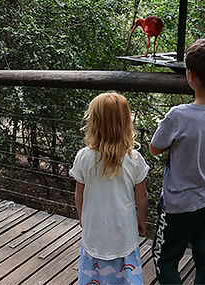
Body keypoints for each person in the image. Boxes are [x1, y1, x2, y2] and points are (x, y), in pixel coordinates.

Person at [149, 38, 205, 284]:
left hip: (178, 203)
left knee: (164, 258)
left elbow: (155, 148)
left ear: (190, 76)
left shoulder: (178, 115)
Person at [70, 92, 149, 285]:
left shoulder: (83, 157)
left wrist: (82, 217)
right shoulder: (134, 159)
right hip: (124, 231)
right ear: (125, 122)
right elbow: (142, 197)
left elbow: (79, 194)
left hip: (94, 230)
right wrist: (141, 219)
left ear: (94, 122)